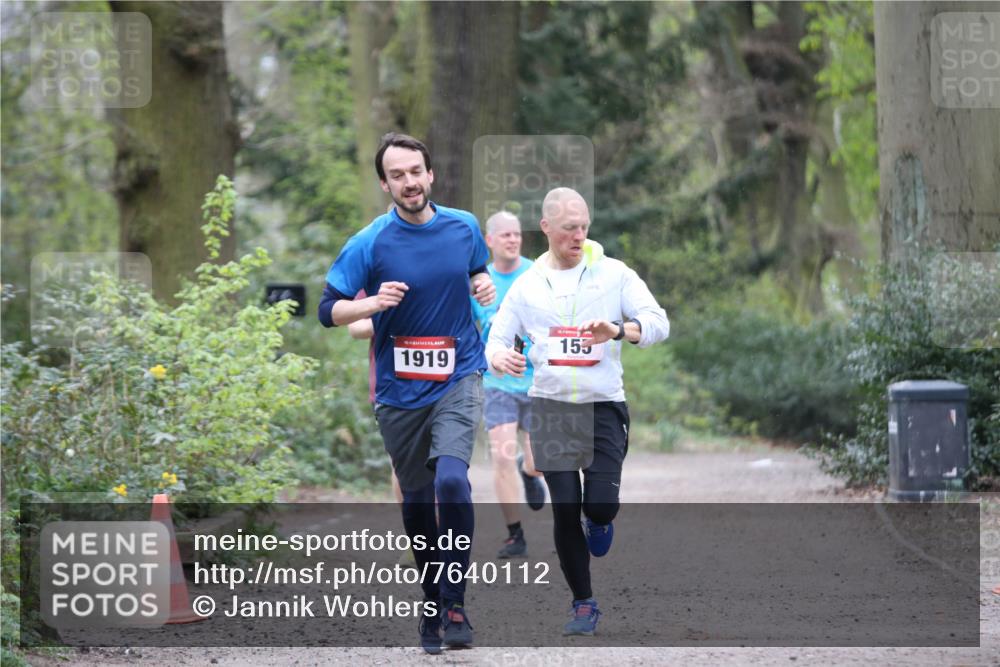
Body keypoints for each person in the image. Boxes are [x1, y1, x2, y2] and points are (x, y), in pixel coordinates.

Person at [319, 132, 495, 654]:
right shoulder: (369, 242)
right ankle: (432, 599)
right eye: (397, 175)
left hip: (459, 376)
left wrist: (483, 283)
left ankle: (456, 602)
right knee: (417, 501)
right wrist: (371, 304)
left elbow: (477, 270)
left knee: (452, 482)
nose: (409, 182)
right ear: (385, 184)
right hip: (399, 393)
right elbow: (328, 310)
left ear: (430, 174)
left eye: (416, 171)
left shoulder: (463, 226)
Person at [485, 187, 669, 636]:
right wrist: (499, 357)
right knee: (565, 509)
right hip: (550, 409)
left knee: (600, 506)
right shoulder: (528, 284)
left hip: (603, 405)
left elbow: (658, 322)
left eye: (584, 227)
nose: (579, 235)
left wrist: (619, 330)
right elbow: (496, 339)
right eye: (569, 228)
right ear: (546, 227)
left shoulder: (615, 274)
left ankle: (598, 518)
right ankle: (583, 603)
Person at [470, 211, 546, 559]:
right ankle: (515, 535)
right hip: (497, 381)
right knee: (501, 456)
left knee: (538, 462)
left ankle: (528, 471)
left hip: (538, 379)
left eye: (516, 234)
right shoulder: (479, 283)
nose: (513, 240)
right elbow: (469, 328)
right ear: (490, 241)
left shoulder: (537, 274)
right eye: (505, 235)